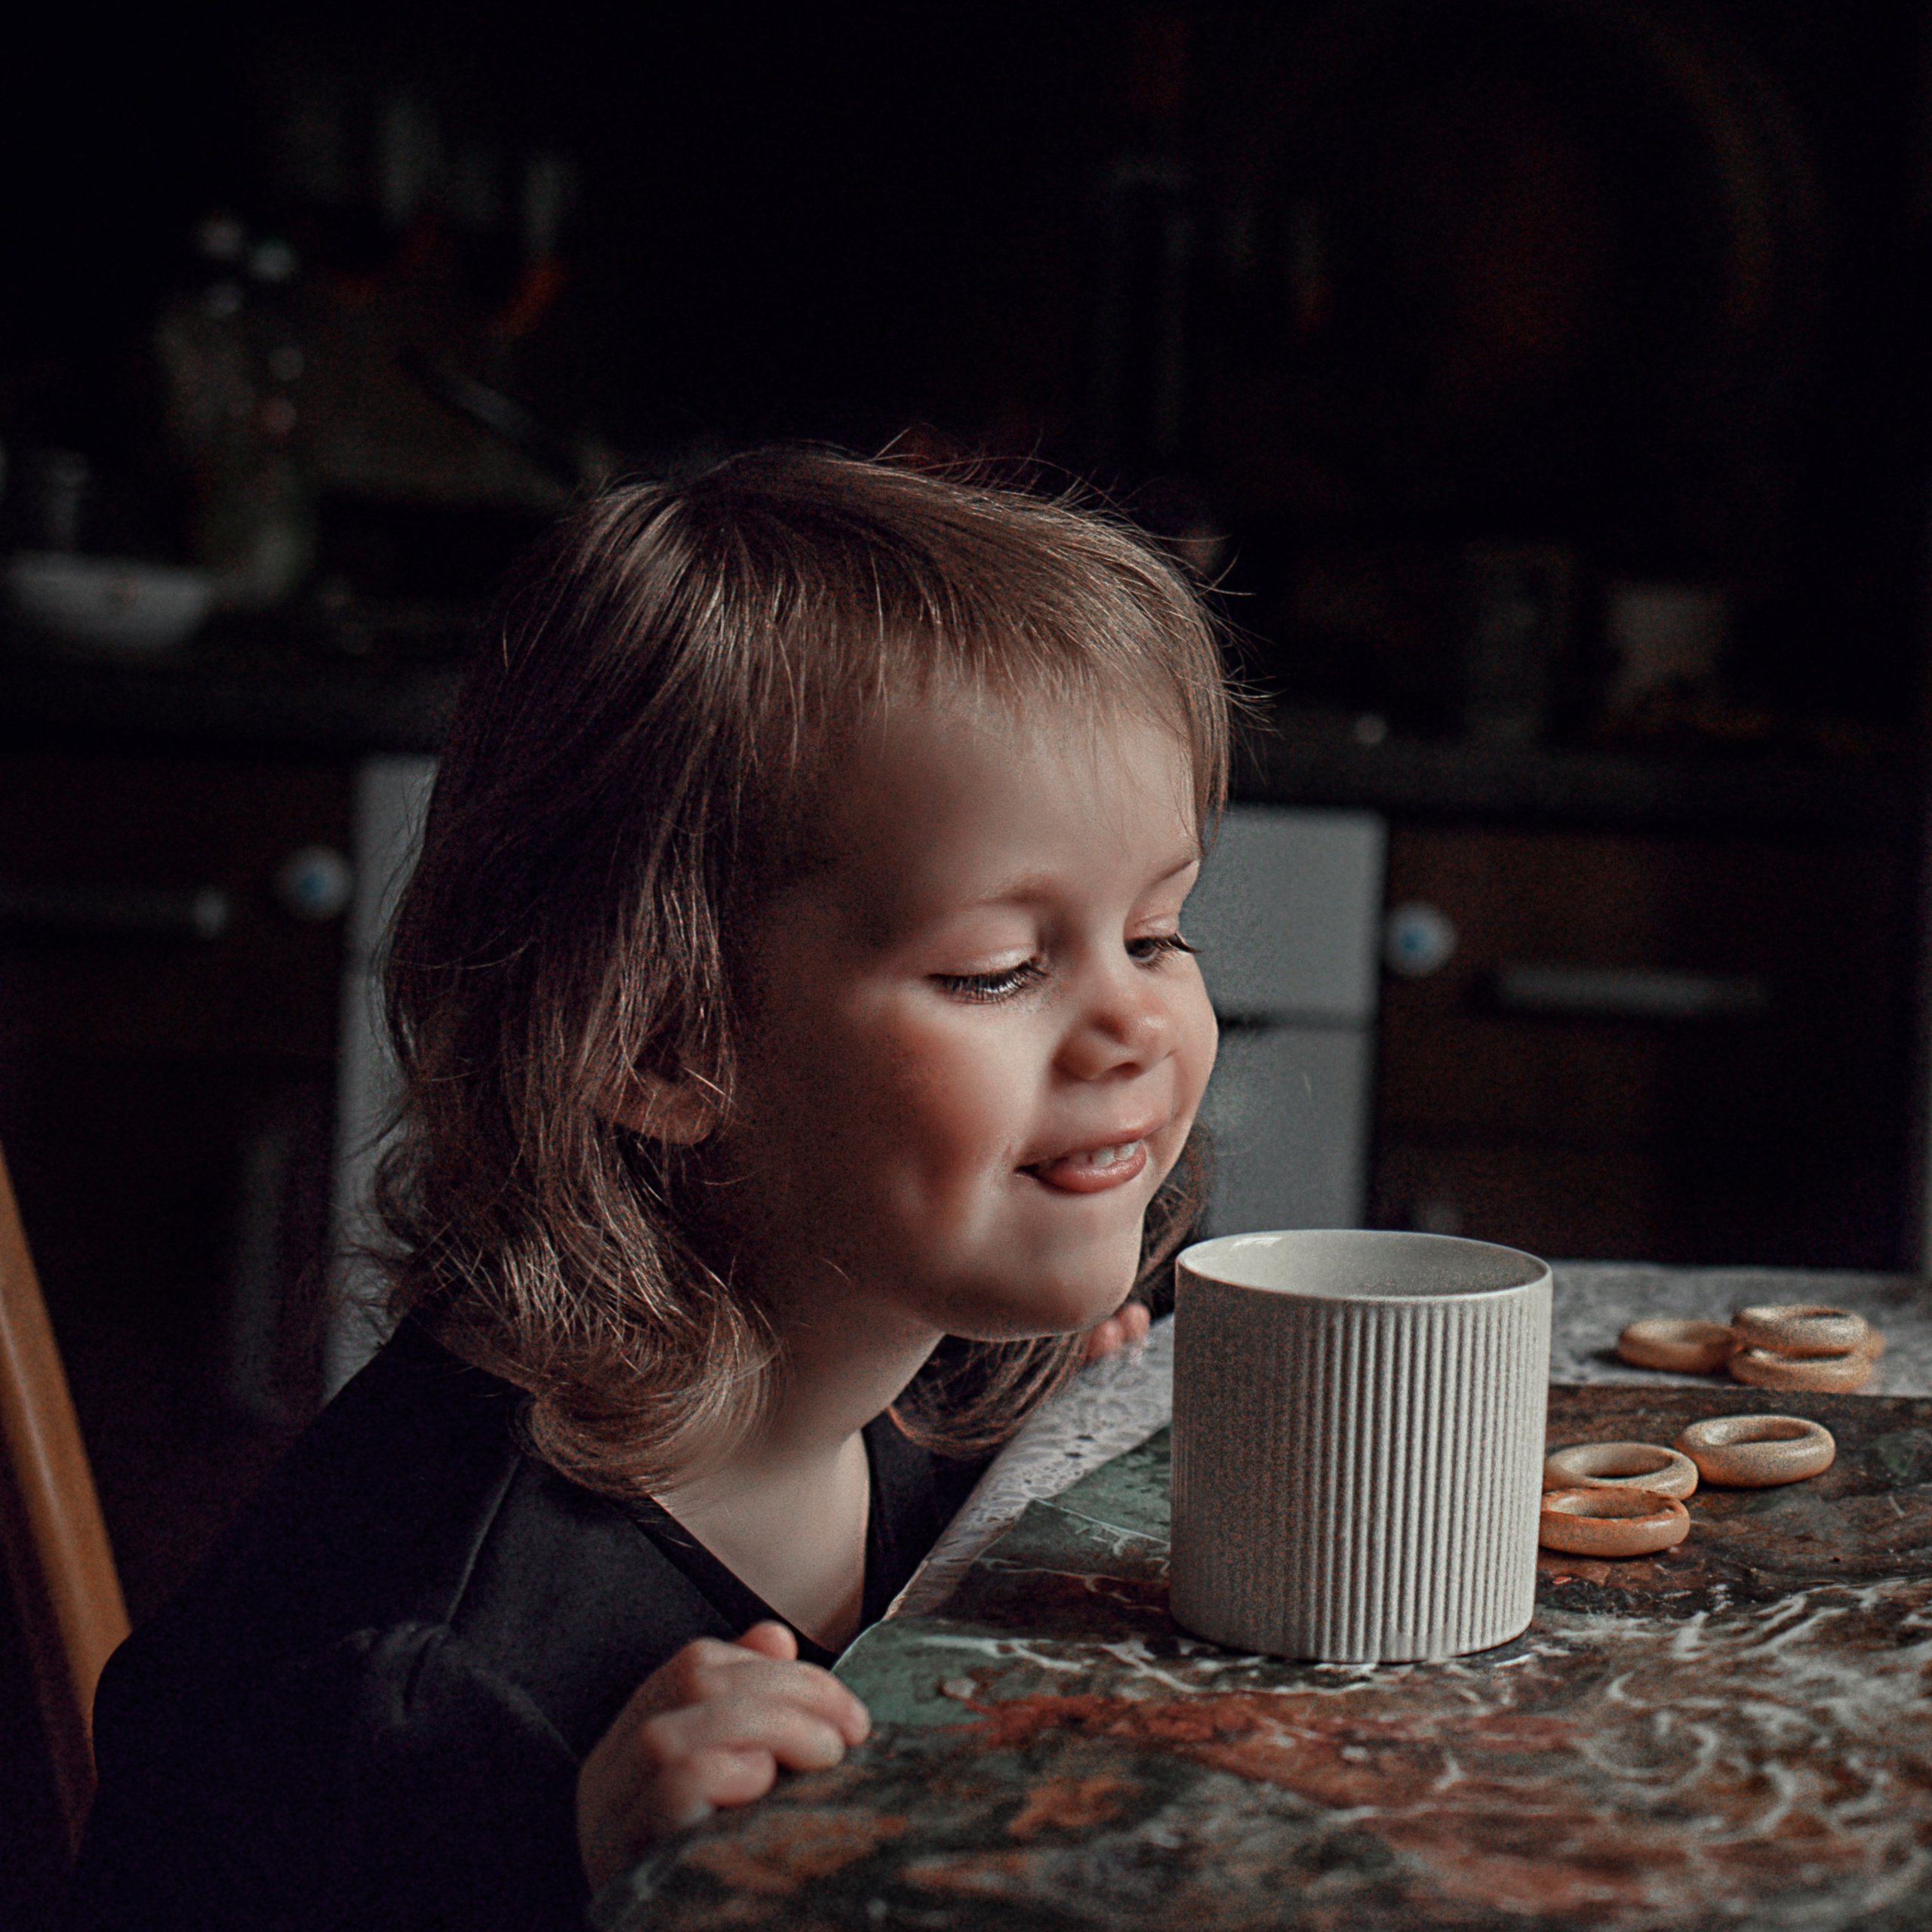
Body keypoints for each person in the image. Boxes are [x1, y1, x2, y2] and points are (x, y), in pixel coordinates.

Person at [73, 448, 1229, 1928]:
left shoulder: (914, 1394)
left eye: (1156, 933)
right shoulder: (414, 1681)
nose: (1134, 1022)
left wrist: (1017, 1504)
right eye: (995, 968)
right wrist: (580, 1886)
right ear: (667, 1040)